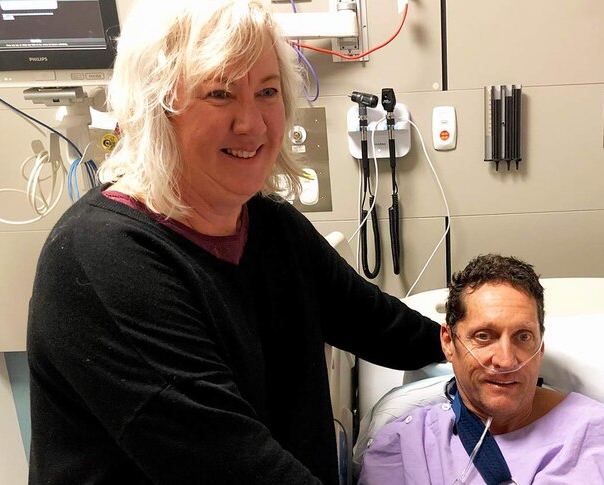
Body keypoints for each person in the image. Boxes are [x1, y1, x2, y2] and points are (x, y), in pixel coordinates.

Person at [26, 1, 443, 483]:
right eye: (220, 94)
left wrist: (476, 345)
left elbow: (379, 325)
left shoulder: (269, 226)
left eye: (267, 92)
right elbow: (232, 466)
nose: (252, 124)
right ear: (156, 108)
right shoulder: (103, 260)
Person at [358, 254, 604, 485]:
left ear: (540, 347)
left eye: (522, 337)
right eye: (484, 336)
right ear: (448, 341)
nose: (506, 360)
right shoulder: (407, 447)